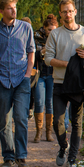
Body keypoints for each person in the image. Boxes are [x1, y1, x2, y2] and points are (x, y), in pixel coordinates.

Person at [44, 0, 84, 167]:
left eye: (70, 11)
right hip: (59, 82)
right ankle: (63, 146)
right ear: (60, 14)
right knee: (58, 121)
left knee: (77, 122)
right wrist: (68, 64)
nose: (67, 14)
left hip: (79, 84)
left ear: (75, 11)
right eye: (64, 12)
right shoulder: (55, 34)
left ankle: (72, 159)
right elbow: (47, 59)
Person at [0, 0, 36, 167]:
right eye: (9, 8)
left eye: (14, 7)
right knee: (4, 120)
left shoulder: (26, 27)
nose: (13, 10)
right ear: (1, 10)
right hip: (0, 79)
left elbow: (31, 51)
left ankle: (21, 156)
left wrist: (28, 74)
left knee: (21, 118)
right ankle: (8, 156)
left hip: (21, 78)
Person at [32, 14, 59, 143]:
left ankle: (49, 133)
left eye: (54, 30)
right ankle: (38, 132)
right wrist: (40, 53)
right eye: (49, 30)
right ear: (44, 28)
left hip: (53, 75)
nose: (51, 33)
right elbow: (30, 55)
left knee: (50, 103)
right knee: (39, 102)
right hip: (40, 75)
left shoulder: (59, 38)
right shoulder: (36, 37)